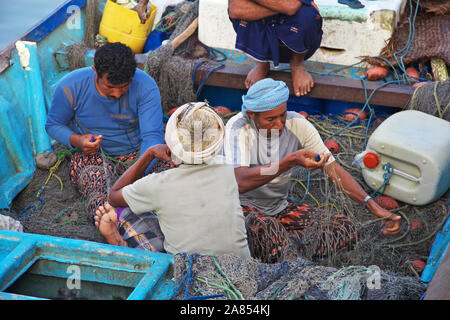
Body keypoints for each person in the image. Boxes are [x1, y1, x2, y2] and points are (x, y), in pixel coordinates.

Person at [224, 78, 401, 263]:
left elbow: (333, 169)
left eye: (282, 115)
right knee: (268, 231)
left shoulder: (298, 124)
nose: (279, 125)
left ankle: (289, 252)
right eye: (270, 119)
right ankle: (284, 253)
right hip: (240, 211)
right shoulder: (238, 128)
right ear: (252, 114)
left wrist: (372, 206)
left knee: (344, 229)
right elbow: (240, 182)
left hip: (278, 209)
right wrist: (290, 161)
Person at [94, 102, 251, 258]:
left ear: (170, 145)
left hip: (189, 273)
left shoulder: (157, 184)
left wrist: (149, 154)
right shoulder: (226, 168)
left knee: (127, 209)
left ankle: (121, 245)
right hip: (240, 268)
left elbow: (113, 196)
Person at [45, 42, 166, 219]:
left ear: (132, 77)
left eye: (124, 87)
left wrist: (134, 176)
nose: (117, 94)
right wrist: (79, 141)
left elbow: (152, 139)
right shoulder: (70, 86)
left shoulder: (146, 86)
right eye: (109, 87)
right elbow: (53, 124)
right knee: (95, 187)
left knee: (172, 174)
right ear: (95, 71)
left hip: (139, 155)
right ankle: (112, 224)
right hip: (94, 158)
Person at [228, 0, 322, 96]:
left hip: (293, 40)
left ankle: (297, 64)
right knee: (241, 14)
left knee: (308, 14)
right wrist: (282, 7)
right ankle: (261, 62)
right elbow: (235, 10)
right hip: (259, 36)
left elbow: (292, 6)